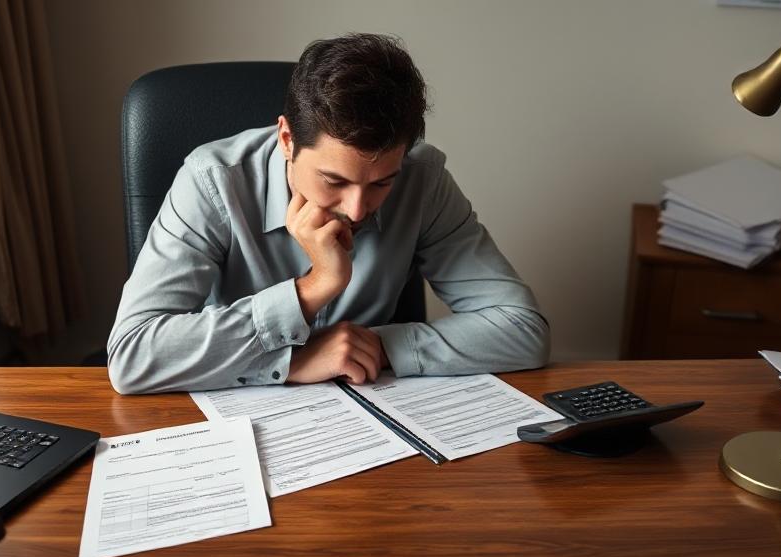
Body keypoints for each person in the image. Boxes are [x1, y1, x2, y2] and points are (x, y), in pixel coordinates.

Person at [107, 33, 548, 395]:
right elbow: (132, 357)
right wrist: (300, 325)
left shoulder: (422, 178)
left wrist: (375, 346)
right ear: (286, 139)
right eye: (334, 181)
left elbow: (522, 329)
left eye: (381, 183)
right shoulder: (211, 181)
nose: (357, 209)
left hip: (379, 414)